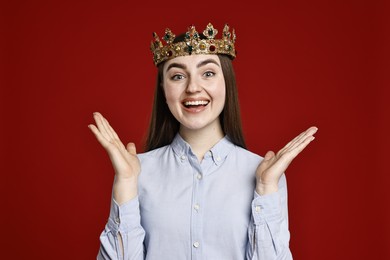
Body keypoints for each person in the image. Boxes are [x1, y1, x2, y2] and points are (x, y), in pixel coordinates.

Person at [88, 22, 318, 260]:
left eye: (207, 73)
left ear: (226, 81)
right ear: (163, 89)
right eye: (177, 76)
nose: (193, 88)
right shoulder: (136, 172)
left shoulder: (265, 174)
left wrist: (266, 188)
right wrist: (125, 183)